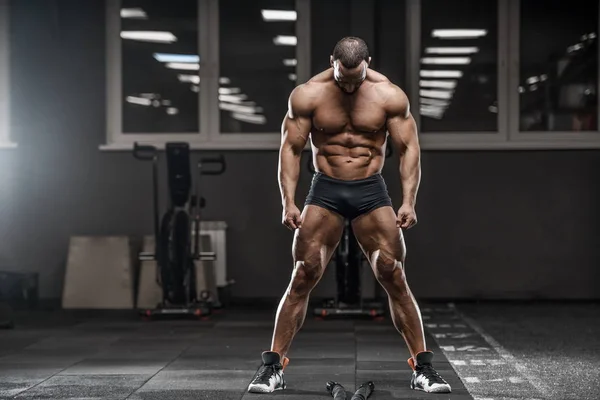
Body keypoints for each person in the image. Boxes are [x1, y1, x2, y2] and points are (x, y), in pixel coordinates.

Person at [247, 36, 451, 395]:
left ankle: (423, 369)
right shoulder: (307, 95)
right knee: (302, 274)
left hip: (370, 190)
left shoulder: (390, 96)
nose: (350, 85)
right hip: (325, 189)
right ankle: (272, 368)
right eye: (344, 78)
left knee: (394, 273)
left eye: (356, 78)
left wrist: (409, 201)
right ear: (332, 63)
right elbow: (290, 150)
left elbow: (408, 150)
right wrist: (288, 202)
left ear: (367, 63)